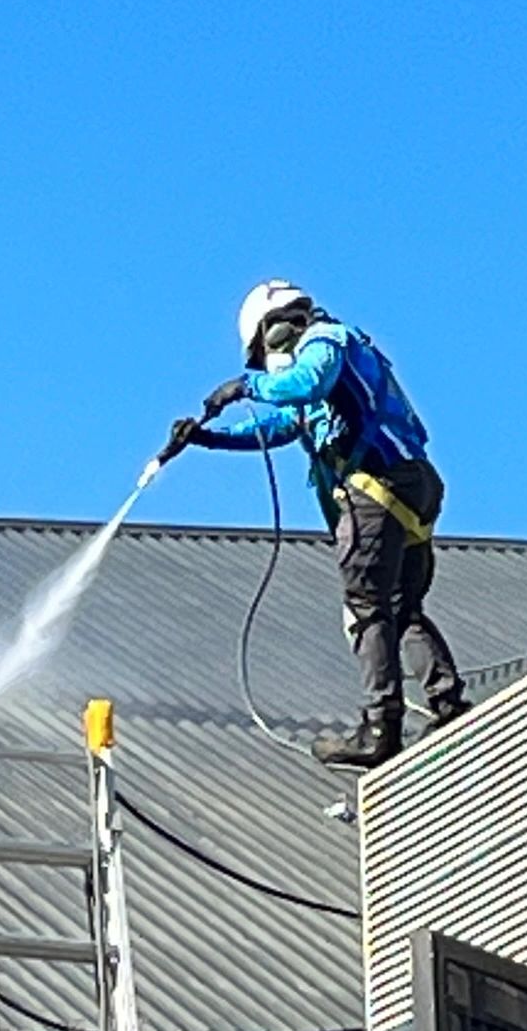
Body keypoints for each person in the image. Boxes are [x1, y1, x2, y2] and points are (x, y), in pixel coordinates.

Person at [162, 280, 469, 768]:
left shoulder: (326, 343)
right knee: (403, 607)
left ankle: (379, 730)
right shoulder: (330, 367)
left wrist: (244, 386)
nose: (266, 363)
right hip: (412, 487)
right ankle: (448, 704)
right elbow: (286, 424)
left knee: (368, 607)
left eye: (262, 352)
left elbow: (305, 385)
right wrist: (209, 438)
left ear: (276, 328)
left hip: (377, 489)